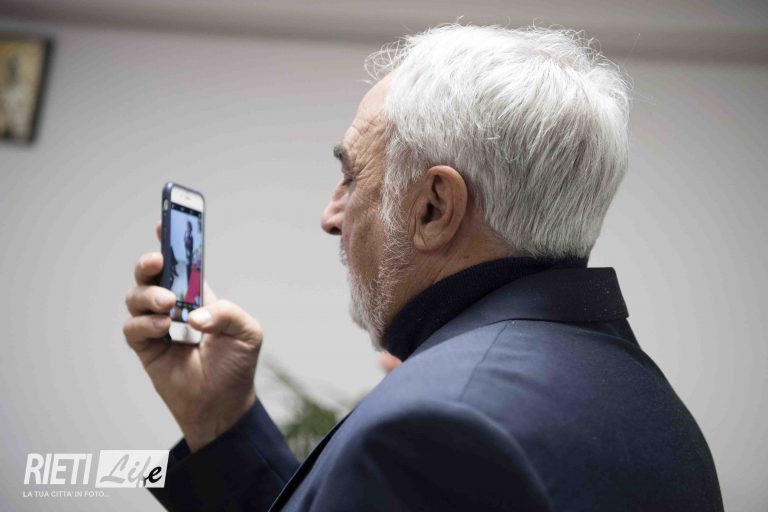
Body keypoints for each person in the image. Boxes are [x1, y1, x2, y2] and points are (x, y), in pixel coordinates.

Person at [123, 25, 723, 511]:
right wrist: (221, 420)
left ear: (434, 208)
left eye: (351, 176)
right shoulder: (649, 400)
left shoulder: (437, 426)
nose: (330, 217)